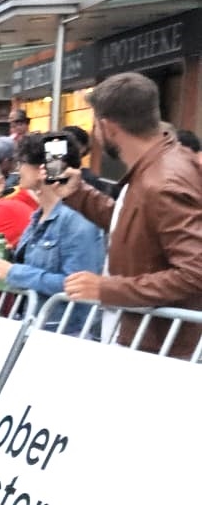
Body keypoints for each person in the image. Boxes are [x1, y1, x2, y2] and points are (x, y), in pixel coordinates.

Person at [59, 72, 202, 342]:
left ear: (108, 127)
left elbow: (195, 272)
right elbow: (138, 228)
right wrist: (80, 195)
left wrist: (108, 289)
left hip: (158, 350)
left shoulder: (162, 180)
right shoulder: (159, 167)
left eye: (95, 126)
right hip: (148, 340)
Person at [0, 134, 103, 325]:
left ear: (41, 170)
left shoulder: (75, 219)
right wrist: (9, 258)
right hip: (37, 325)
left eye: (21, 162)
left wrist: (13, 272)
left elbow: (78, 285)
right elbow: (38, 268)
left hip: (66, 332)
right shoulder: (38, 216)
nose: (17, 169)